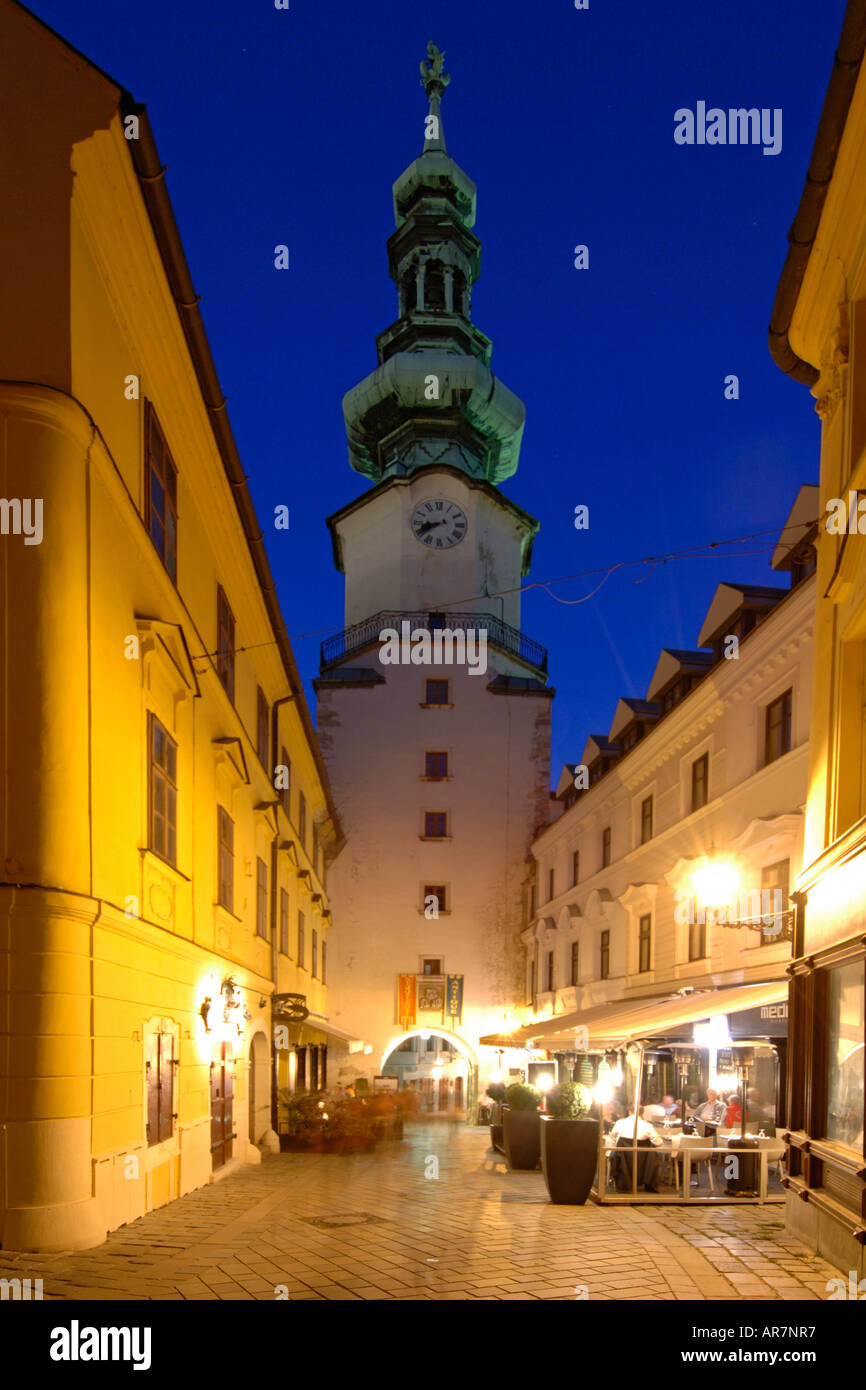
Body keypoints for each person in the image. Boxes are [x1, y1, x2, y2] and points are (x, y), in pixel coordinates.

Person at [609, 1108, 664, 1192]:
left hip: (623, 1155)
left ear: (629, 1111)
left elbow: (613, 1136)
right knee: (655, 1153)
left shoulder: (620, 1123)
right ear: (642, 1113)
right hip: (643, 1159)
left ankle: (613, 1179)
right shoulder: (647, 1125)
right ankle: (649, 1181)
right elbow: (659, 1142)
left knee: (612, 1154)